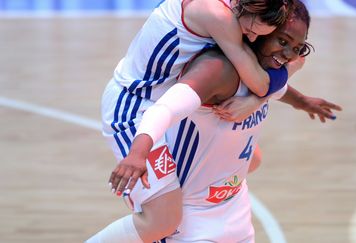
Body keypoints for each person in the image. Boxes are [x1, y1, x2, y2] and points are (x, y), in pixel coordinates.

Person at [89, 0, 342, 242]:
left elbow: (276, 74)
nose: (252, 37)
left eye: (297, 47)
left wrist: (295, 100)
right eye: (281, 40)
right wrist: (137, 154)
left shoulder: (246, 23)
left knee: (253, 158)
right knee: (163, 218)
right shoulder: (220, 30)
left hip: (164, 104)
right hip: (134, 102)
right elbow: (262, 83)